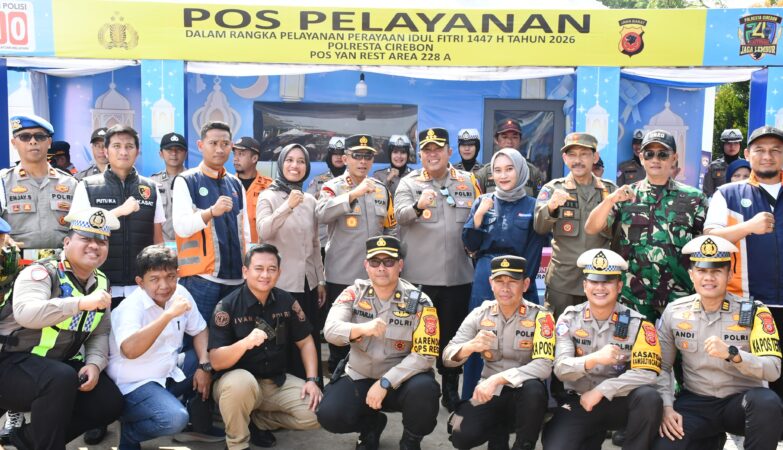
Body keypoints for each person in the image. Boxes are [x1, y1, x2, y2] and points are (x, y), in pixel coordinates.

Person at [0, 207, 124, 450]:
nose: (94, 246)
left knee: (108, 402)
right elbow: (26, 313)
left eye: (102, 241)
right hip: (10, 363)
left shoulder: (101, 282)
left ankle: (26, 440)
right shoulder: (41, 272)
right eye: (85, 239)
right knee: (60, 379)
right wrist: (79, 303)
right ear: (67, 243)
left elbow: (100, 331)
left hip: (55, 367)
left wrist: (94, 364)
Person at [653, 235, 783, 450]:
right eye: (701, 271)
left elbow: (773, 369)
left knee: (767, 403)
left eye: (717, 271)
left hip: (740, 403)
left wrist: (734, 354)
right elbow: (661, 367)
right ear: (691, 275)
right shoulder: (674, 311)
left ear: (729, 274)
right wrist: (666, 407)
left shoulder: (755, 311)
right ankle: (710, 439)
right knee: (664, 445)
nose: (709, 278)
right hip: (696, 402)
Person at [318, 236, 441, 450]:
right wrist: (361, 329)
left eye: (388, 262)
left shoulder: (420, 301)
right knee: (330, 414)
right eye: (375, 262)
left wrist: (385, 382)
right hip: (360, 376)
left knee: (425, 390)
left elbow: (425, 355)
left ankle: (410, 441)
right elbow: (330, 330)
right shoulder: (353, 293)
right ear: (366, 265)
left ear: (400, 265)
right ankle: (371, 426)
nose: (381, 268)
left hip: (402, 381)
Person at [542, 248, 663, 450]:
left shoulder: (638, 324)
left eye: (607, 282)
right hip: (579, 401)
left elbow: (647, 373)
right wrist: (595, 358)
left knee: (649, 399)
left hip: (620, 401)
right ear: (585, 286)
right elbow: (561, 369)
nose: (600, 288)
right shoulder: (569, 319)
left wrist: (601, 390)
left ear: (619, 286)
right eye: (594, 281)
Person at [394, 127, 480, 412]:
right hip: (419, 279)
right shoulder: (409, 183)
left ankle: (450, 389)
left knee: (453, 336)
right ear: (420, 156)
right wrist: (418, 206)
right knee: (416, 336)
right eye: (427, 150)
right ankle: (413, 387)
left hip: (458, 277)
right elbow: (400, 217)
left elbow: (478, 220)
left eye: (438, 149)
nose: (433, 155)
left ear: (449, 152)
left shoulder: (468, 182)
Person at [585, 129, 707, 321]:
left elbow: (703, 245)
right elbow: (591, 228)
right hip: (633, 295)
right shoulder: (626, 195)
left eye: (663, 154)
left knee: (680, 341)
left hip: (679, 294)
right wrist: (610, 200)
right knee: (633, 340)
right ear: (641, 158)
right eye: (649, 154)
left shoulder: (694, 198)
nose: (655, 159)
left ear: (674, 158)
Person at [209, 244, 321, 450]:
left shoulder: (286, 301)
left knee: (321, 413)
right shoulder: (227, 306)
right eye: (258, 268)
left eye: (271, 269)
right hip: (236, 384)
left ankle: (258, 421)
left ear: (279, 273)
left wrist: (312, 380)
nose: (265, 275)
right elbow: (216, 361)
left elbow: (305, 341)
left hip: (275, 382)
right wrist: (245, 343)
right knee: (240, 384)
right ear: (245, 271)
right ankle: (237, 443)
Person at [107, 245, 220, 450]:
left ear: (178, 275)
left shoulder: (180, 292)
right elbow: (130, 350)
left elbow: (200, 330)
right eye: (154, 279)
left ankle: (197, 423)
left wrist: (204, 365)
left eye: (170, 277)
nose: (164, 285)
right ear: (140, 283)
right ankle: (130, 433)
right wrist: (168, 315)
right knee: (175, 418)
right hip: (133, 385)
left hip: (167, 372)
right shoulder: (130, 307)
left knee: (213, 357)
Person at [704, 125, 783, 401]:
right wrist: (749, 227)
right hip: (746, 304)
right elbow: (709, 239)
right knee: (750, 384)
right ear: (748, 154)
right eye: (760, 150)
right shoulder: (727, 193)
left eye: (775, 150)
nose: (767, 156)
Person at [461, 148, 547, 398]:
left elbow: (535, 248)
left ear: (520, 171)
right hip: (486, 278)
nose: (503, 175)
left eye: (509, 169)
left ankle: (520, 399)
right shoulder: (483, 201)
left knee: (522, 342)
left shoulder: (534, 206)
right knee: (481, 337)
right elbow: (470, 244)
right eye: (497, 170)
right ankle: (473, 398)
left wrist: (523, 283)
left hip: (520, 280)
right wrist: (479, 215)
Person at [444, 255, 553, 450]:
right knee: (460, 434)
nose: (505, 288)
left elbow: (544, 366)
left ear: (525, 284)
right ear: (491, 283)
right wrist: (470, 346)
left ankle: (524, 445)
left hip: (523, 394)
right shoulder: (479, 314)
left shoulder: (541, 317)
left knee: (534, 391)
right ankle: (497, 434)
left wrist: (497, 379)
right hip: (490, 394)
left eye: (512, 281)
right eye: (499, 281)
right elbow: (447, 357)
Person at [316, 133, 397, 373]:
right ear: (345, 159)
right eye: (357, 156)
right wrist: (353, 194)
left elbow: (391, 228)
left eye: (368, 157)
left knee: (373, 336)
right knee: (340, 338)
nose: (363, 161)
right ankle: (338, 383)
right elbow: (321, 214)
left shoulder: (381, 189)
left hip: (375, 278)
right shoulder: (332, 187)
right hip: (342, 275)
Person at [72, 124, 165, 309]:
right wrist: (119, 211)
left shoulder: (151, 188)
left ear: (137, 151)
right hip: (99, 285)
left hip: (141, 286)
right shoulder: (87, 186)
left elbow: (158, 240)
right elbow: (78, 234)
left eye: (129, 146)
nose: (123, 152)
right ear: (106, 151)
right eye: (116, 146)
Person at [256, 143, 325, 381]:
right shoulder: (268, 196)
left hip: (307, 284)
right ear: (281, 163)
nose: (295, 166)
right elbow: (264, 231)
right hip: (280, 285)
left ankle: (311, 387)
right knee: (282, 342)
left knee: (308, 339)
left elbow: (315, 244)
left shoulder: (310, 200)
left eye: (301, 161)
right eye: (290, 160)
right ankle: (283, 393)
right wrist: (287, 206)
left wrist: (320, 280)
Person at [172, 121, 251, 322]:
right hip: (201, 278)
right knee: (197, 335)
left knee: (232, 336)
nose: (219, 149)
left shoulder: (236, 183)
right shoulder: (186, 180)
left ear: (231, 146)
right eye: (213, 143)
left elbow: (246, 233)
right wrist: (210, 213)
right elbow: (181, 227)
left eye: (225, 144)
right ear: (200, 145)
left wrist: (248, 269)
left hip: (236, 278)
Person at [535, 133, 618, 318]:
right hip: (563, 282)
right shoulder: (553, 189)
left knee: (598, 330)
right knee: (560, 330)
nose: (577, 160)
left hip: (600, 280)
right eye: (572, 155)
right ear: (564, 158)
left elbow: (619, 235)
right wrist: (551, 207)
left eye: (584, 154)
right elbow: (539, 228)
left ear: (595, 157)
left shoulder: (610, 191)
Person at [0, 115, 78, 261]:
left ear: (49, 142)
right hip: (15, 265)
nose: (33, 141)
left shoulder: (70, 183)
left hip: (61, 265)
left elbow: (81, 229)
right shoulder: (3, 182)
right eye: (24, 137)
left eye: (40, 136)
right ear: (14, 143)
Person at [475, 119, 546, 197]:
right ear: (496, 140)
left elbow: (540, 201)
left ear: (520, 140)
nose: (509, 141)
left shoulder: (534, 173)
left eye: (514, 137)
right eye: (504, 137)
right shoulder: (484, 174)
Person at [307, 136, 345, 257]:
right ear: (330, 156)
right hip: (323, 240)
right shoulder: (318, 180)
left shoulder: (355, 181)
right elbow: (306, 203)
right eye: (335, 154)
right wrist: (318, 195)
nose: (338, 157)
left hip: (346, 239)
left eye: (342, 154)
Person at [233, 136, 273, 243]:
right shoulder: (226, 185)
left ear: (254, 158)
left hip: (260, 249)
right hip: (235, 248)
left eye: (241, 154)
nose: (235, 158)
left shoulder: (269, 186)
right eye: (235, 154)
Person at [150, 132, 188, 244]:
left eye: (178, 150)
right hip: (161, 245)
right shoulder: (152, 183)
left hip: (190, 244)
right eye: (169, 150)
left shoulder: (195, 180)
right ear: (161, 154)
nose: (174, 153)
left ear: (186, 154)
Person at [703, 128, 744, 197]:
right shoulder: (713, 167)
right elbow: (707, 193)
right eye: (728, 143)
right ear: (723, 145)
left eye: (736, 143)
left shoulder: (745, 166)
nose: (732, 146)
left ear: (740, 145)